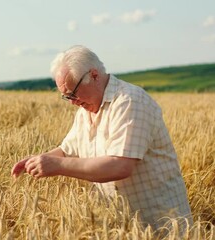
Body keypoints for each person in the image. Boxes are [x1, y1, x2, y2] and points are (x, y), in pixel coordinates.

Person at [11, 45, 193, 233]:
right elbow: (67, 150)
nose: (73, 102)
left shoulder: (129, 101)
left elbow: (120, 165)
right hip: (121, 227)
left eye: (73, 93)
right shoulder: (85, 110)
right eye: (66, 97)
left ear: (95, 75)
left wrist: (56, 166)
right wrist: (35, 161)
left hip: (160, 226)